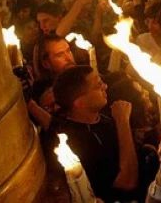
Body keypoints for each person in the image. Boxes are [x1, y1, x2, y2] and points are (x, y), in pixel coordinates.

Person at [51, 66, 139, 202]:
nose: (105, 86)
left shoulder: (105, 118)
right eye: (98, 86)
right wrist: (123, 122)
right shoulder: (74, 142)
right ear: (79, 103)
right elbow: (127, 182)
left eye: (101, 82)